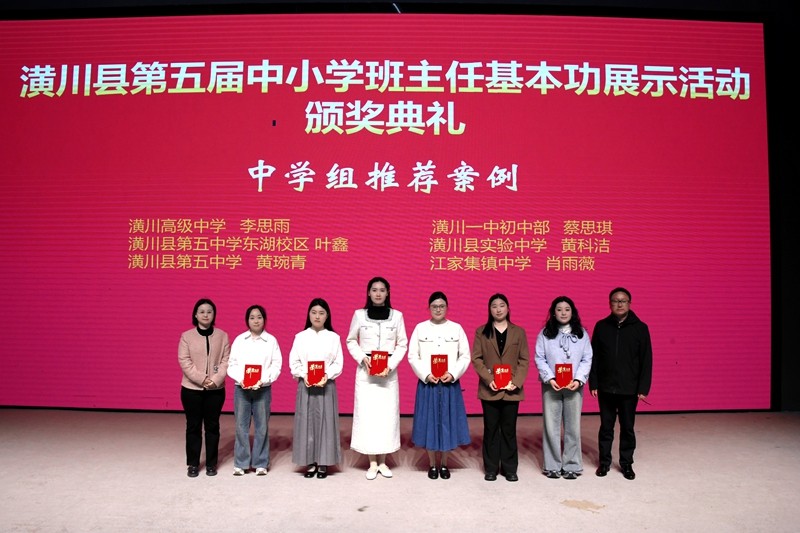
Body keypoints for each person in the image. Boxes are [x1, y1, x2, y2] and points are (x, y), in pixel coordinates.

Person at [347, 276, 408, 480]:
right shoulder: (359, 315)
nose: (378, 293)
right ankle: (372, 462)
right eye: (374, 290)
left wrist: (391, 365)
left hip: (388, 373)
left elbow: (402, 343)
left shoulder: (397, 316)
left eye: (382, 290)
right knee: (368, 415)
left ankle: (383, 461)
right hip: (366, 372)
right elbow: (351, 340)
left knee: (386, 416)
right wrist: (362, 358)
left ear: (388, 292)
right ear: (368, 292)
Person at [590, 287, 653, 481]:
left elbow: (646, 360)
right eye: (615, 301)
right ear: (610, 304)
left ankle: (626, 463)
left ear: (629, 304)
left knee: (627, 428)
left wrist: (643, 388)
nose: (619, 304)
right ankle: (604, 462)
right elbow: (594, 357)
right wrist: (594, 382)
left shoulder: (640, 328)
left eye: (623, 301)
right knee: (606, 427)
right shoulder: (601, 326)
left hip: (629, 388)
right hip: (606, 387)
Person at [408, 291, 471, 480]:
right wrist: (426, 375)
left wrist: (452, 374)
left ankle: (444, 463)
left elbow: (465, 356)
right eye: (434, 306)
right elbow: (413, 356)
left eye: (441, 306)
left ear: (447, 308)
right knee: (429, 422)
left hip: (449, 383)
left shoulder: (456, 328)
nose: (438, 309)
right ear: (429, 308)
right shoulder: (420, 328)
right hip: (429, 383)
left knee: (446, 423)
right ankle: (432, 464)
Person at [470, 293, 530, 482]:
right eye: (494, 306)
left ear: (508, 308)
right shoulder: (482, 332)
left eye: (502, 305)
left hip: (512, 389)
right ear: (489, 310)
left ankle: (510, 468)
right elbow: (476, 358)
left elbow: (524, 360)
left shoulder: (518, 332)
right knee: (491, 429)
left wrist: (516, 382)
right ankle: (491, 468)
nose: (498, 309)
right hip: (490, 389)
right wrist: (489, 380)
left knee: (509, 429)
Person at [534, 296, 593, 480]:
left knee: (573, 426)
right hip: (551, 386)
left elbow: (587, 358)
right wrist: (550, 378)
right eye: (559, 309)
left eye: (567, 309)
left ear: (572, 312)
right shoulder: (545, 334)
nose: (563, 313)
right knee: (551, 426)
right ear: (553, 313)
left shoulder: (582, 334)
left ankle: (572, 465)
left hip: (573, 386)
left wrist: (579, 379)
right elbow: (539, 358)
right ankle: (552, 465)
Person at [289, 298, 344, 479]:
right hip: (306, 385)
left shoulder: (333, 338)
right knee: (306, 422)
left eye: (321, 313)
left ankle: (323, 462)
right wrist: (304, 375)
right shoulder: (300, 337)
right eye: (314, 312)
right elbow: (294, 361)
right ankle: (310, 462)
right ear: (309, 315)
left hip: (326, 385)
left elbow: (338, 363)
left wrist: (326, 375)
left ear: (327, 316)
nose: (317, 316)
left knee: (326, 423)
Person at [226, 304, 282, 476]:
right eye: (252, 317)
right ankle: (241, 463)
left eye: (259, 317)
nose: (256, 320)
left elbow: (276, 365)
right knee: (241, 426)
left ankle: (260, 463)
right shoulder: (239, 340)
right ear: (247, 320)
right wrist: (241, 379)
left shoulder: (271, 341)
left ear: (264, 319)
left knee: (262, 426)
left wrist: (263, 380)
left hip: (262, 389)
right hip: (241, 389)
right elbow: (232, 364)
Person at [178, 298, 230, 478]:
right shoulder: (186, 336)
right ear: (195, 315)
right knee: (193, 427)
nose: (205, 315)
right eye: (202, 312)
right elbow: (184, 361)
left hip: (216, 390)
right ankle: (193, 464)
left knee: (212, 426)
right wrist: (203, 380)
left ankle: (211, 464)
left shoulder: (222, 336)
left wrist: (215, 380)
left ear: (214, 315)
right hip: (191, 390)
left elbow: (226, 360)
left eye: (209, 312)